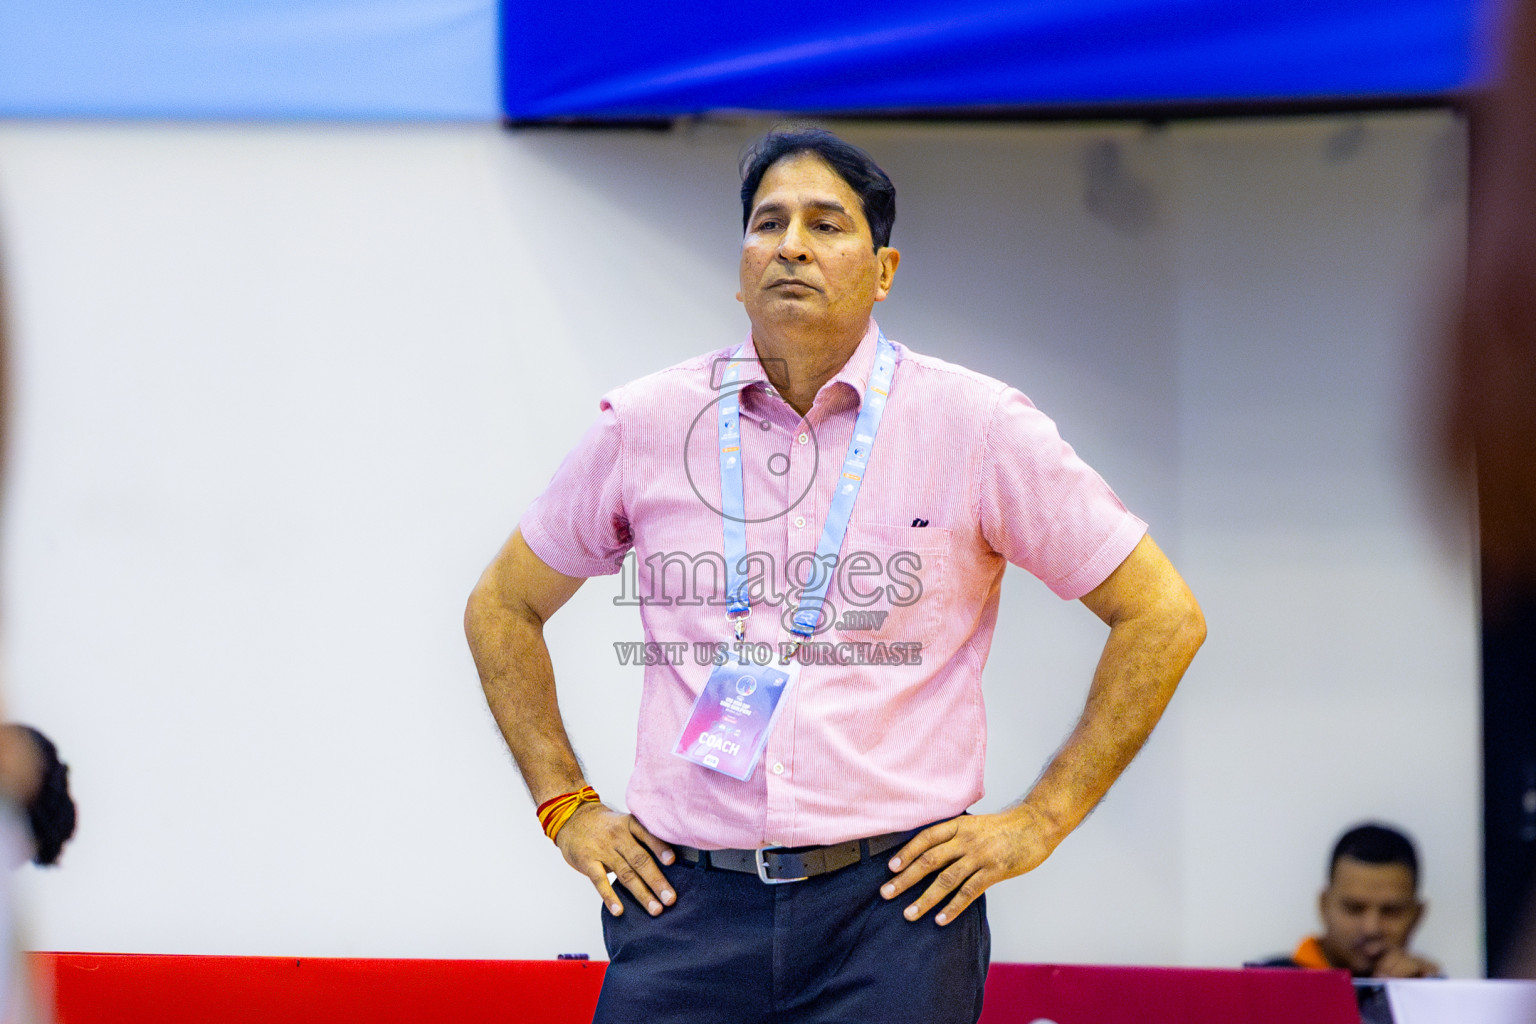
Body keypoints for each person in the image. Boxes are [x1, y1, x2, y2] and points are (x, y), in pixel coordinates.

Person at [465, 126, 1205, 1023]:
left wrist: (1042, 819)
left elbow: (1161, 615)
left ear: (883, 268)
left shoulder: (978, 427)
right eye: (768, 223)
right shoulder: (649, 424)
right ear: (740, 266)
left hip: (893, 912)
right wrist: (566, 806)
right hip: (685, 906)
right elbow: (503, 605)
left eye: (827, 224)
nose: (792, 245)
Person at [1258, 823, 1440, 979]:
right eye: (1354, 909)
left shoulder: (1438, 1000)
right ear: (1324, 905)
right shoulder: (1263, 988)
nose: (1371, 928)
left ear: (1417, 916)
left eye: (1391, 912)